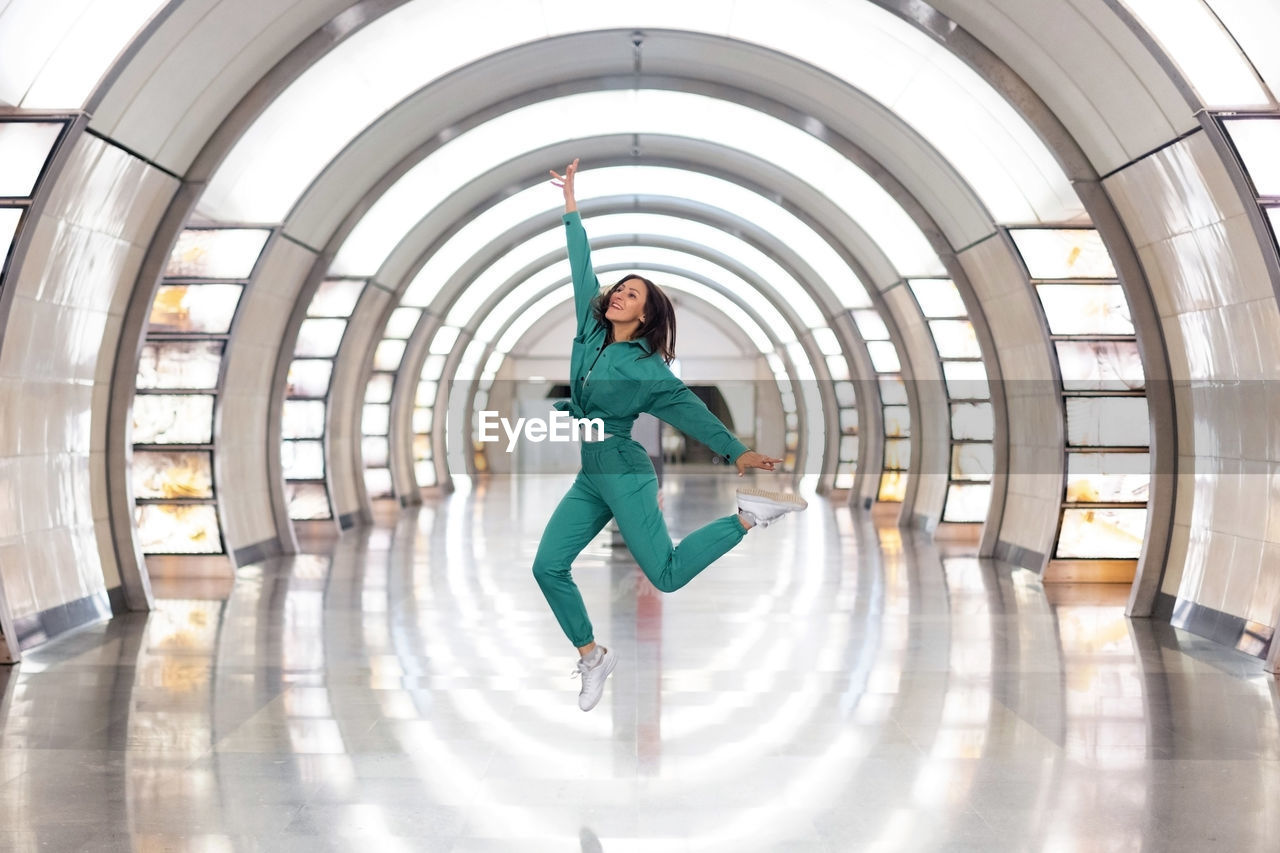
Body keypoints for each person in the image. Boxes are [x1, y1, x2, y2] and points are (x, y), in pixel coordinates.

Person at [534, 159, 807, 712]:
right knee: (547, 566)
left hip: (625, 470)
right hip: (592, 473)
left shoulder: (649, 368)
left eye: (633, 296)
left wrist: (736, 450)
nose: (619, 296)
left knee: (666, 574)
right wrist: (570, 206)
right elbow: (580, 265)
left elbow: (689, 411)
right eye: (620, 289)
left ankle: (750, 516)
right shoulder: (590, 331)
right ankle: (593, 655)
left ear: (647, 314)